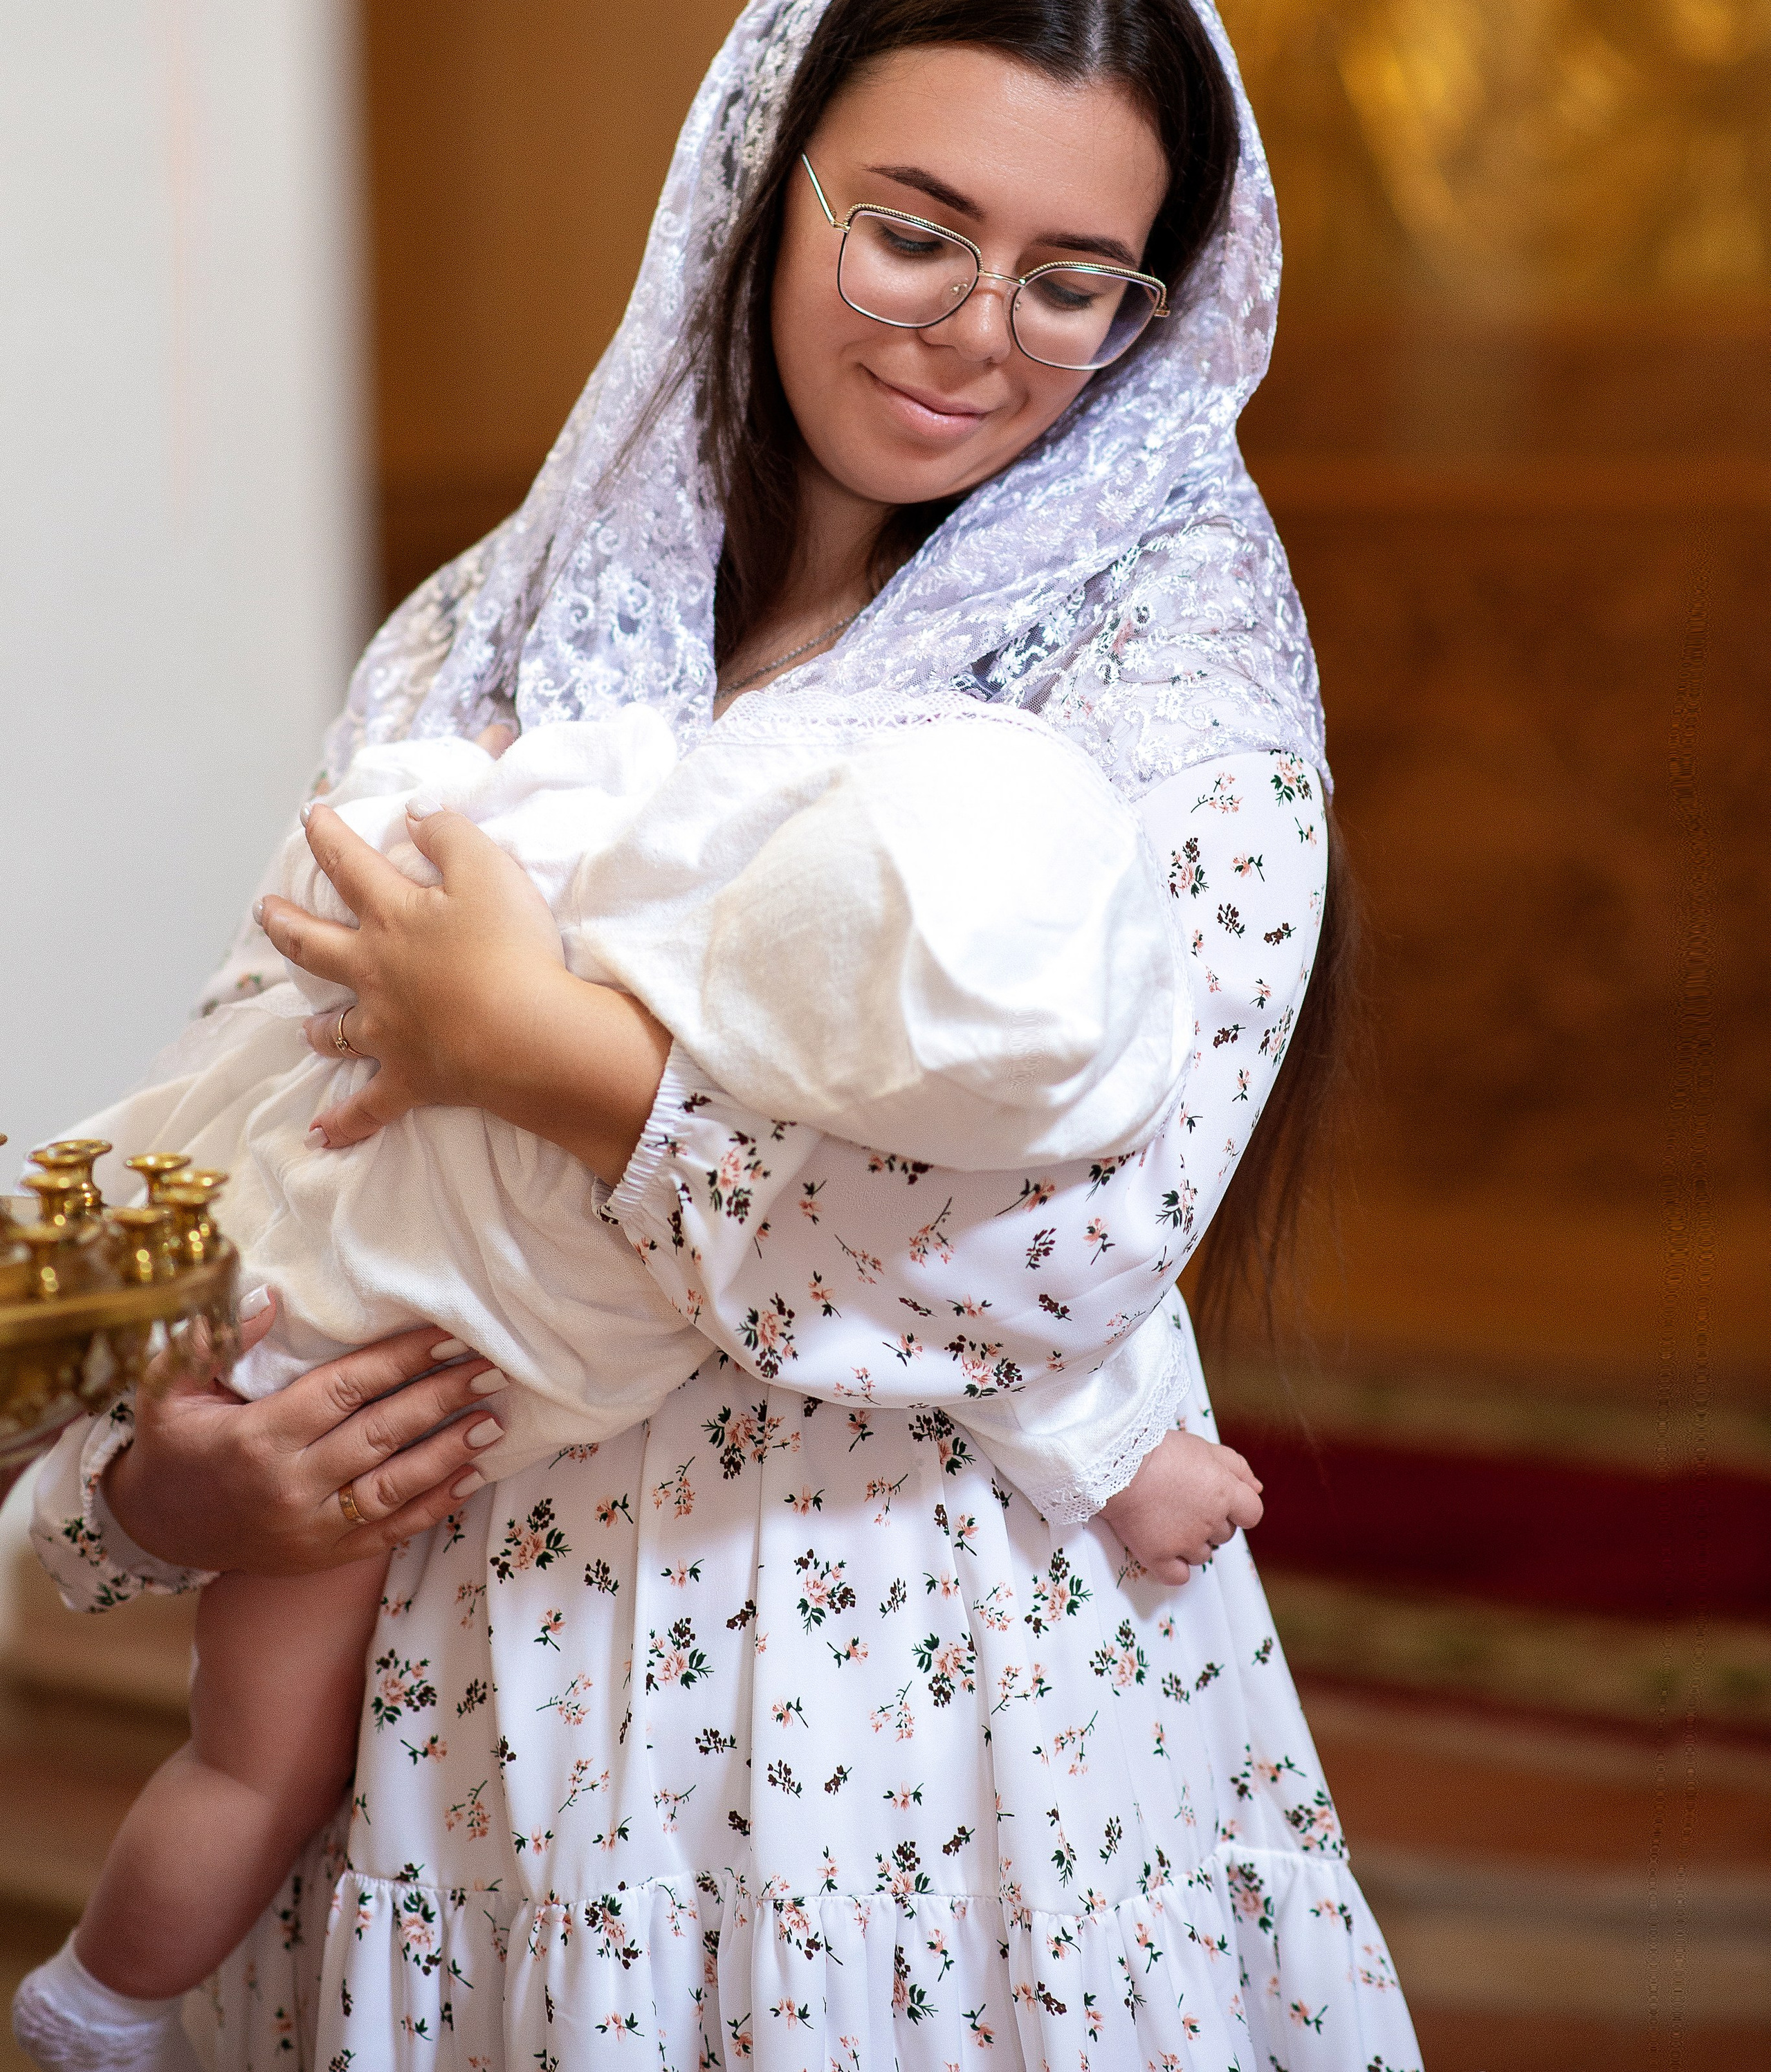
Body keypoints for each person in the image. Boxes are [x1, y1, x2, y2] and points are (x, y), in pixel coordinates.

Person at [21, 0, 1422, 2072]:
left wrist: (541, 1050)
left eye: (1073, 283)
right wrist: (159, 1485)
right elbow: (265, 1098)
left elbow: (1065, 1240)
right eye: (914, 230)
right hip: (453, 1712)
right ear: (767, 188)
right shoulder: (514, 611)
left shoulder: (1174, 666)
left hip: (917, 1723)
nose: (977, 332)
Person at [23, 695, 1268, 2051]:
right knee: (257, 1767)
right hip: (361, 1399)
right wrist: (1132, 1461)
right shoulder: (758, 1174)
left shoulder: (606, 873)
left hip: (305, 1289)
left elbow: (370, 852)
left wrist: (447, 778)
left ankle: (110, 1990)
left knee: (241, 1755)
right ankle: (105, 1998)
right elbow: (976, 1332)